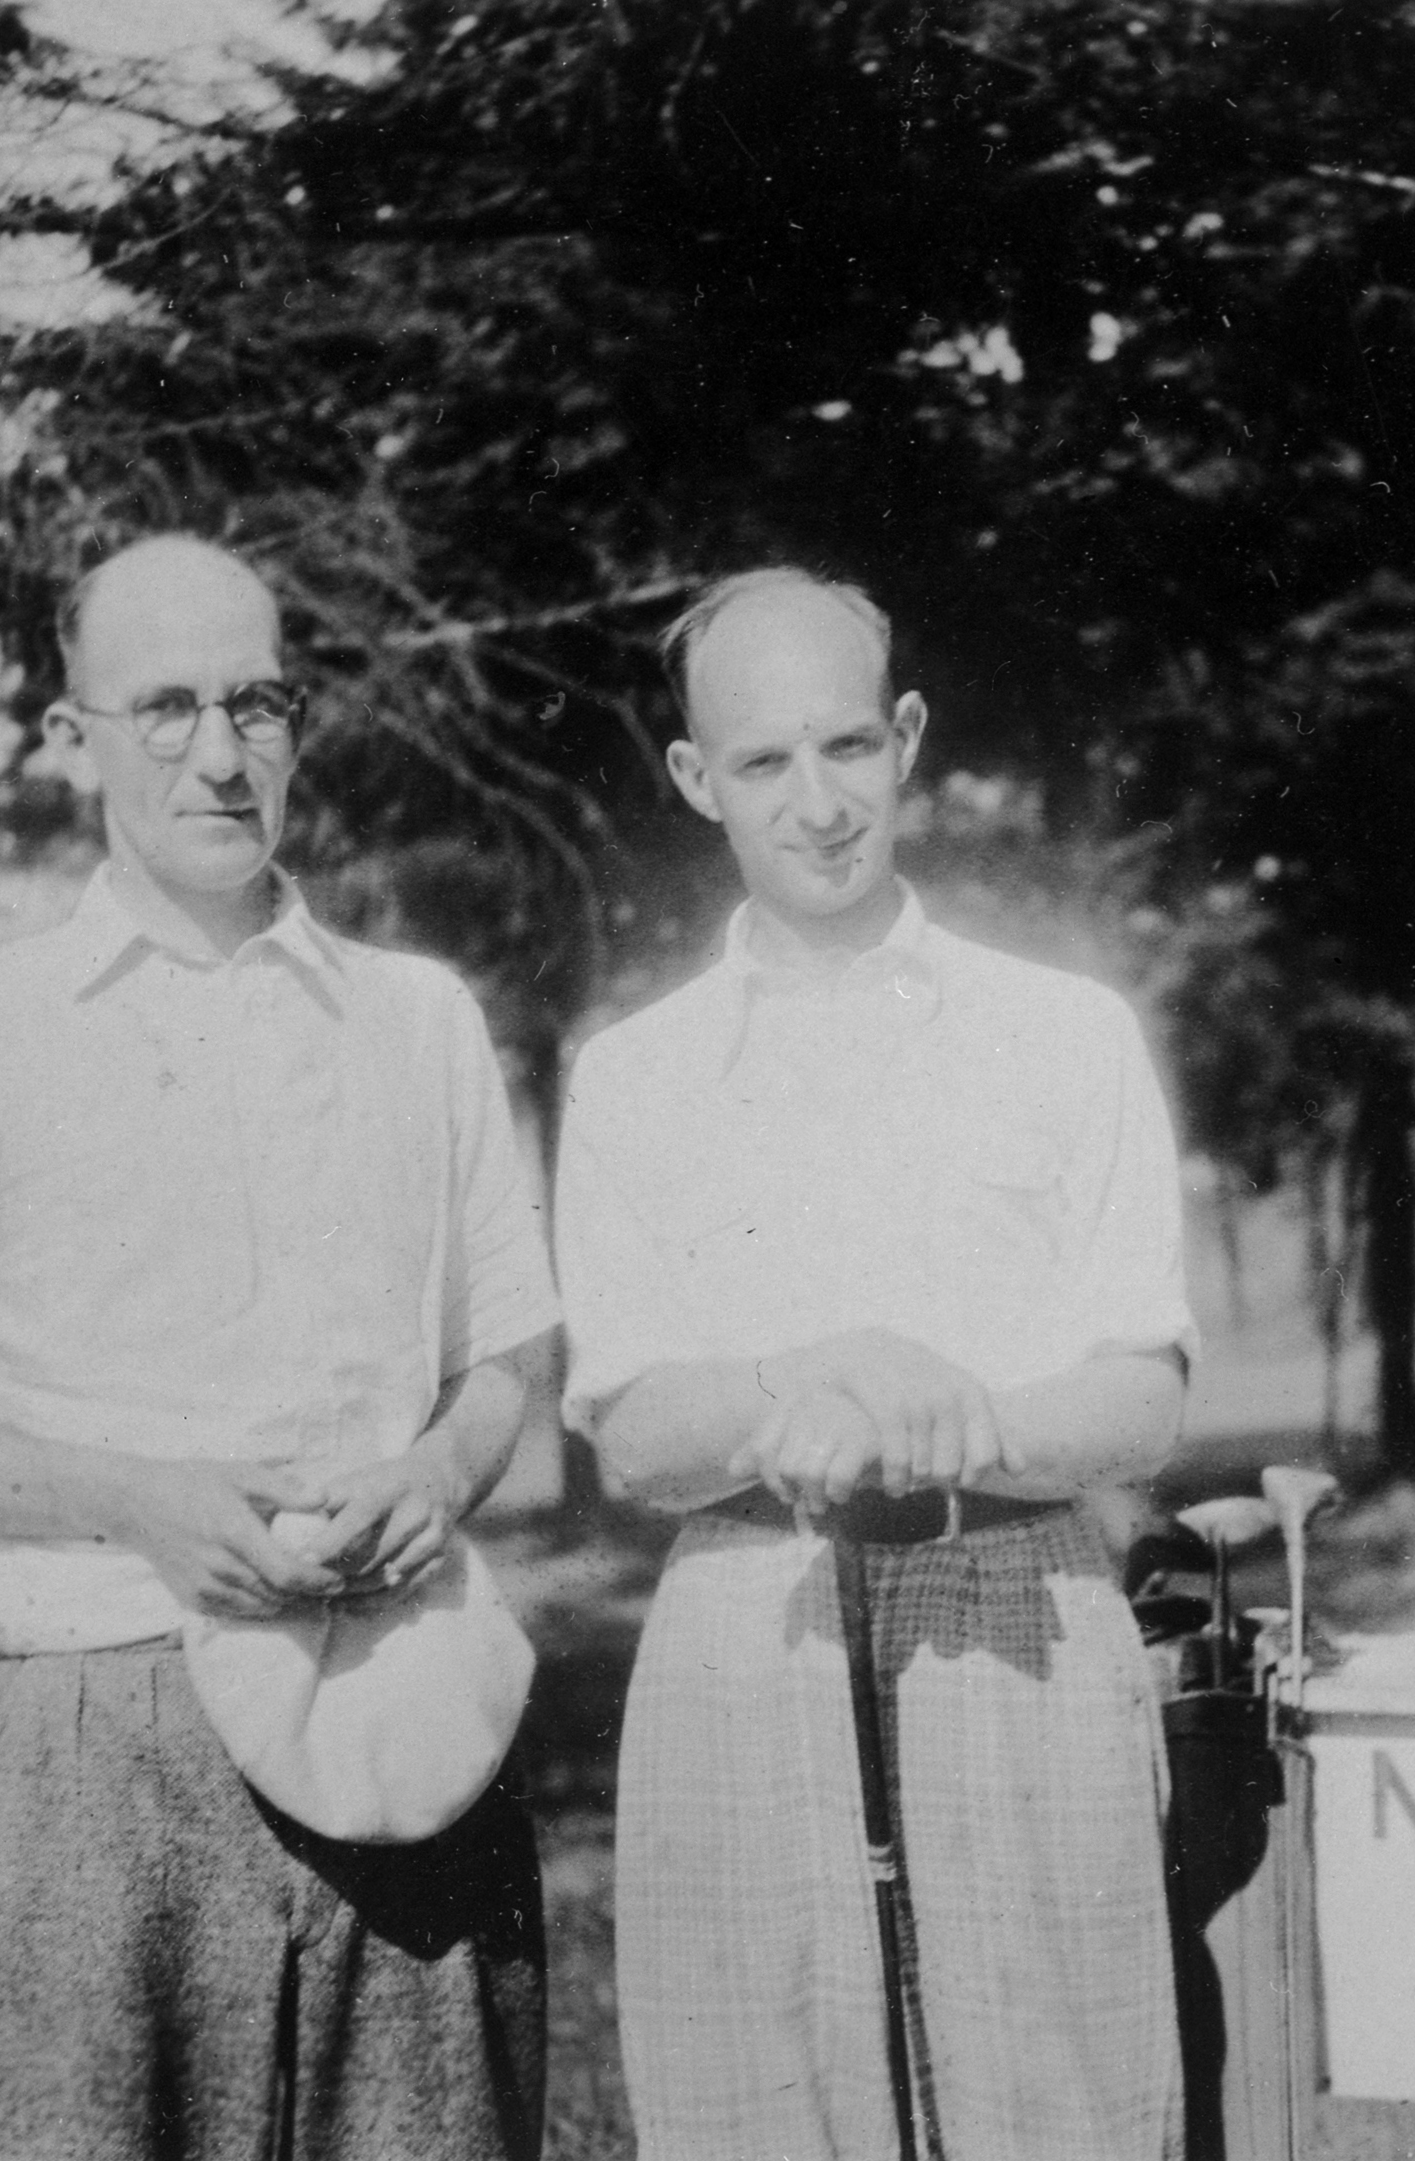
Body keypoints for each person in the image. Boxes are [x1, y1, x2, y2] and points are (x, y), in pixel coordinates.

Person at [0, 535, 561, 2160]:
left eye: (256, 704)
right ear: (71, 736)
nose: (220, 753)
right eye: (164, 708)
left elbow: (506, 1353)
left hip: (404, 1706)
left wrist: (441, 1468)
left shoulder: (417, 1017)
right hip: (98, 1740)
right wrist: (139, 1500)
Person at [552, 567, 1196, 2161]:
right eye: (763, 761)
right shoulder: (633, 1075)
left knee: (1061, 2116)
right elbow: (636, 1430)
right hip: (744, 1621)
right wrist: (815, 1370)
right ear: (695, 778)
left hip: (1020, 1603)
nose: (819, 802)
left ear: (906, 737)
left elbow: (1141, 1394)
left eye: (847, 745)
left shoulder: (1063, 1028)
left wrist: (946, 1416)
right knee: (763, 2121)